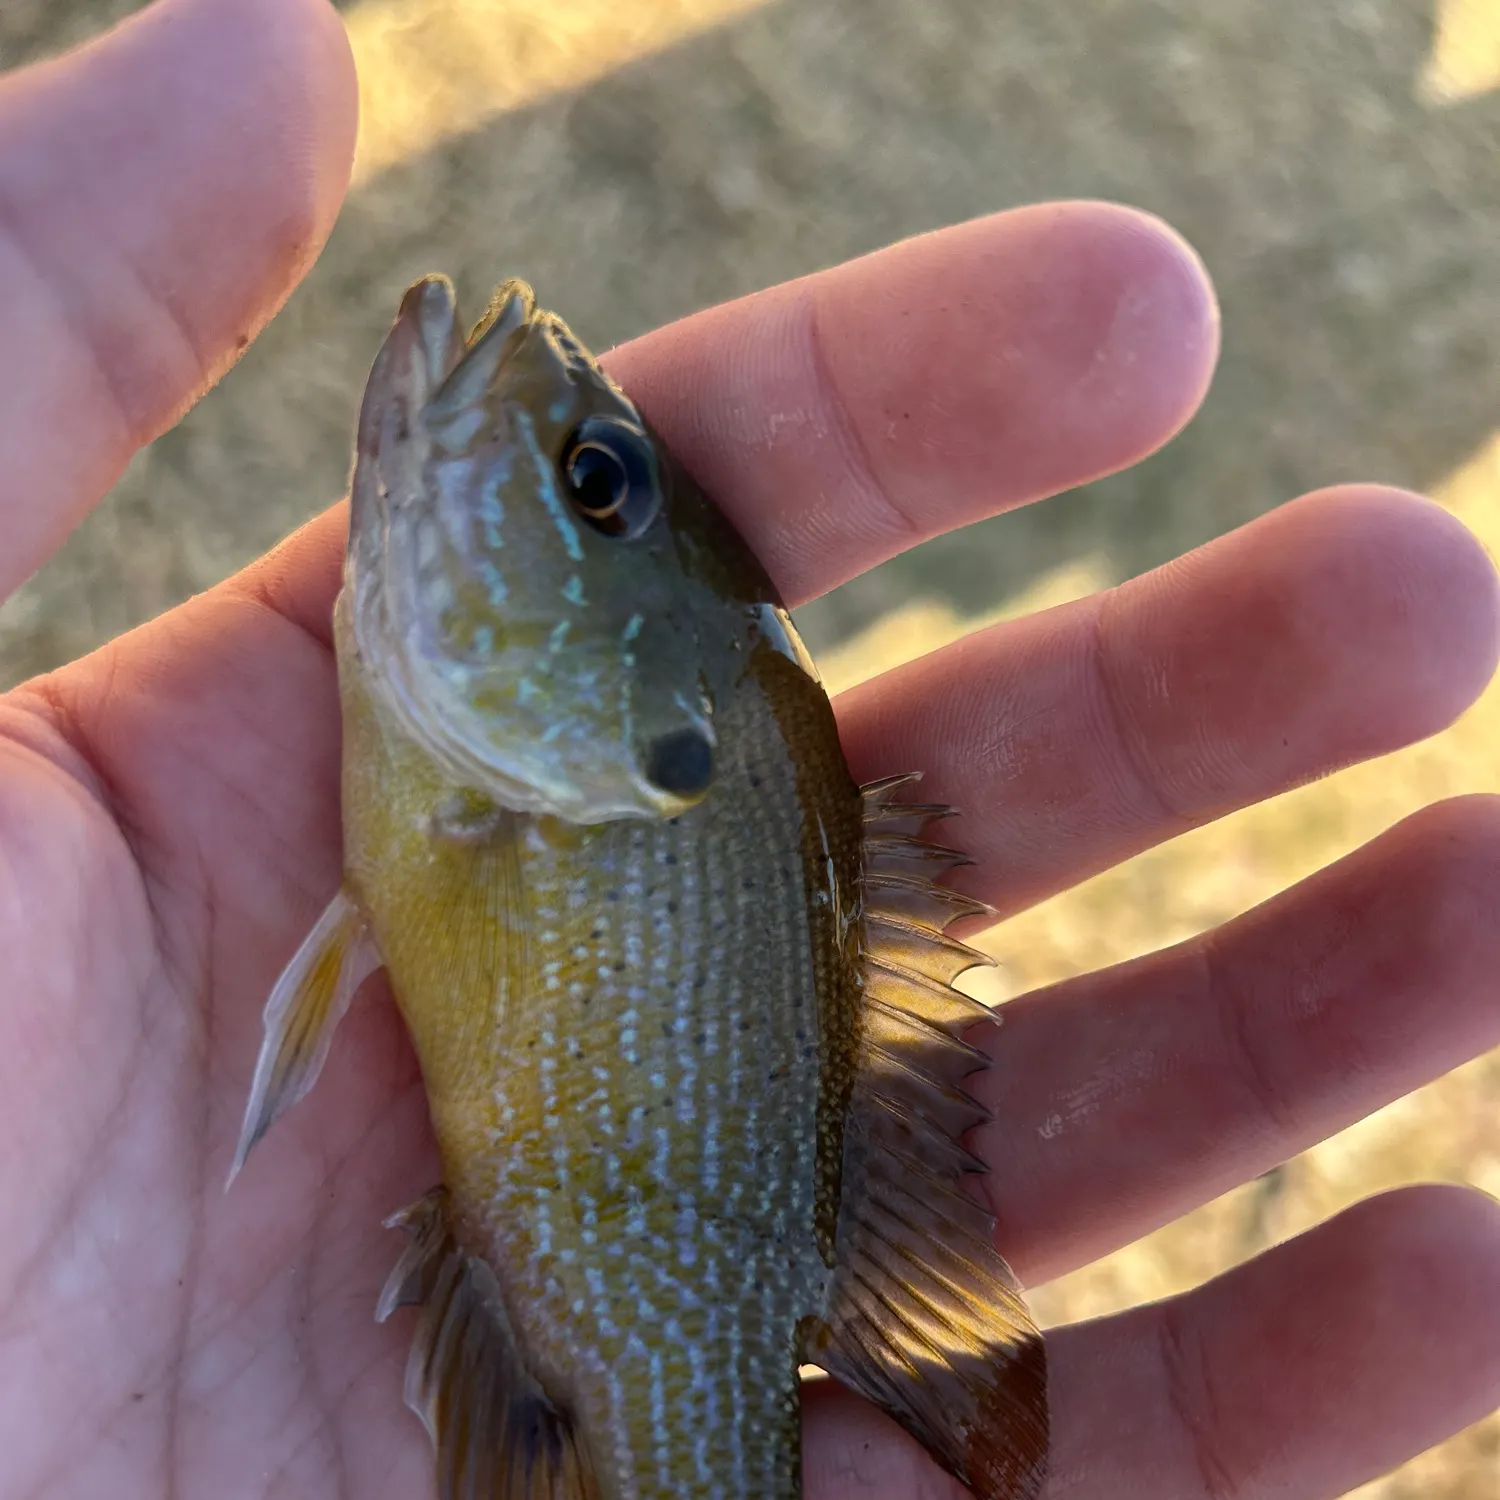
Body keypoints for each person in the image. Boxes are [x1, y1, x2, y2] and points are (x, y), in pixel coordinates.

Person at [1, 0, 1497, 1495]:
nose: (532, 405)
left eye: (591, 487)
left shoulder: (505, 792)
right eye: (604, 481)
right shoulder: (507, 788)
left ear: (659, 735)